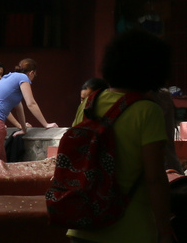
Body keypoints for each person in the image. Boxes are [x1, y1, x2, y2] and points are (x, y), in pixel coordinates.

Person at [65, 30, 173, 243]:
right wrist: (165, 230)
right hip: (130, 230)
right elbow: (155, 178)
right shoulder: (147, 111)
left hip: (83, 224)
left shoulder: (89, 103)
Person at [0, 58, 54, 165]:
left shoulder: (7, 78)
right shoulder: (23, 77)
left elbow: (19, 107)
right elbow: (31, 103)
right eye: (34, 75)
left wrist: (23, 129)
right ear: (31, 73)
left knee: (1, 161)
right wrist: (46, 124)